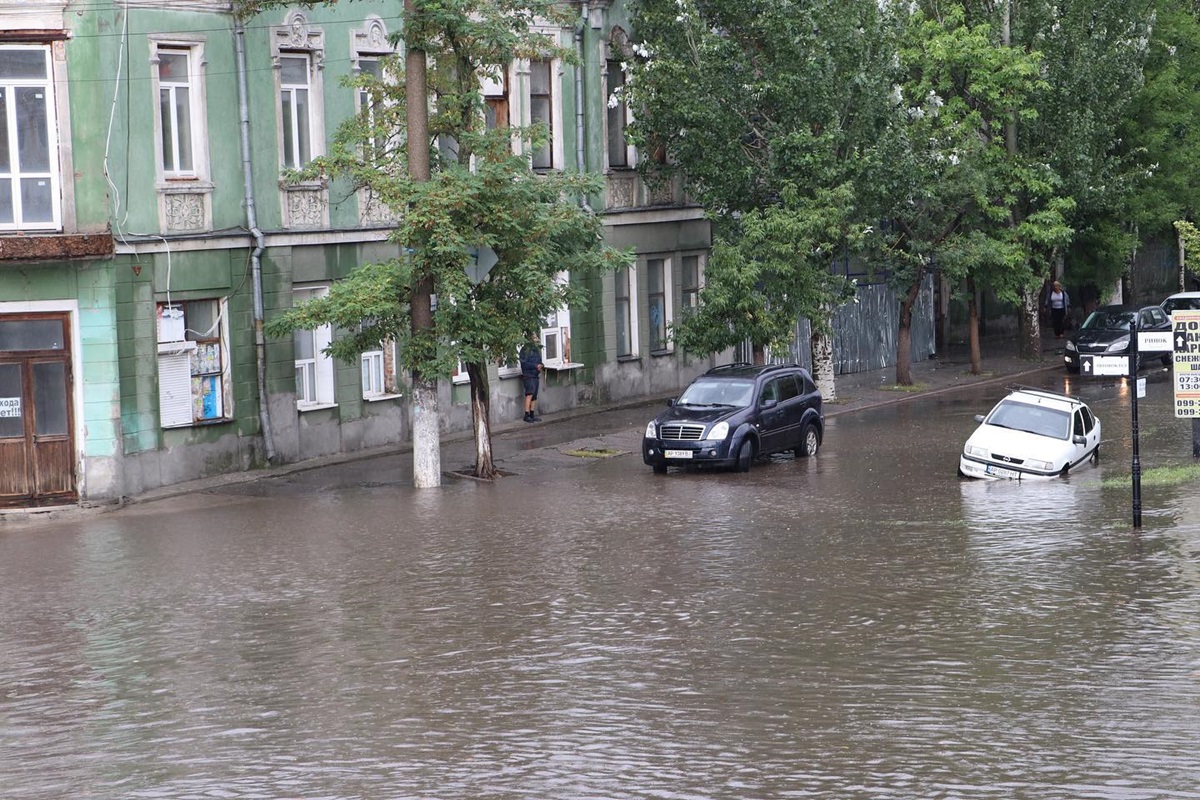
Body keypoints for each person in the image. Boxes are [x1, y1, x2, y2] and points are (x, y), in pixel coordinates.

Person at [519, 338, 544, 423]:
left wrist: (541, 365)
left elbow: (539, 360)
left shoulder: (536, 349)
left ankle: (532, 414)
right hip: (528, 375)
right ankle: (526, 415)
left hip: (535, 375)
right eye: (534, 337)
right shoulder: (525, 350)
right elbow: (524, 364)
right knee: (529, 394)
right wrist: (535, 366)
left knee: (534, 396)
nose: (537, 339)